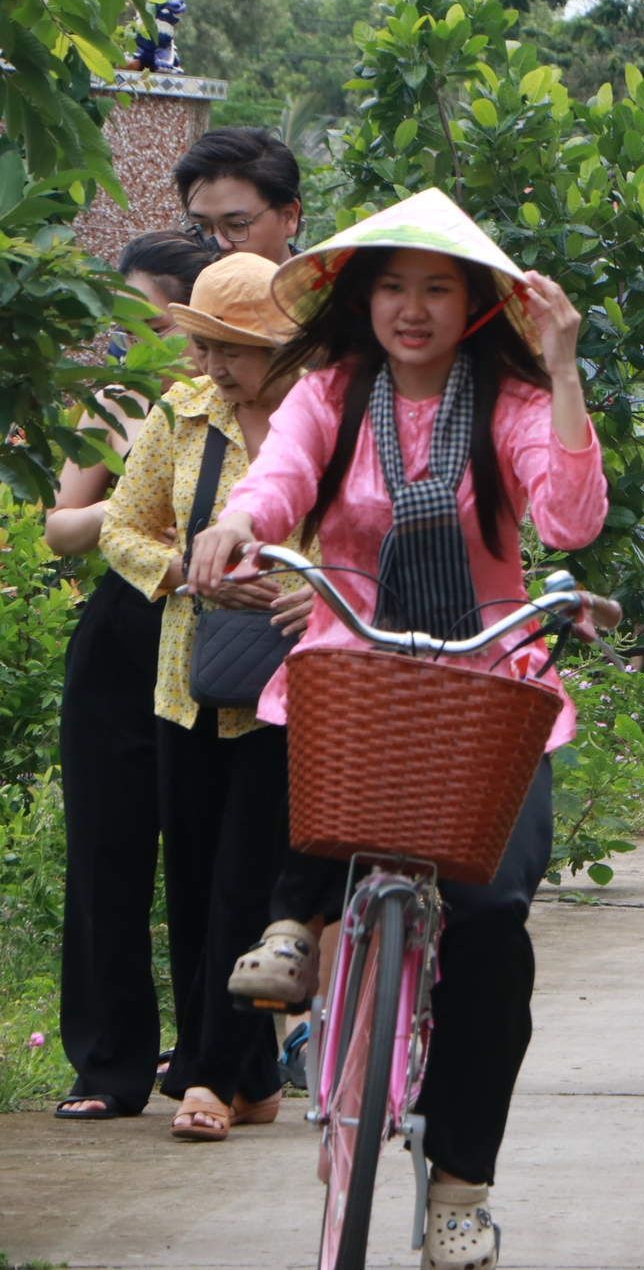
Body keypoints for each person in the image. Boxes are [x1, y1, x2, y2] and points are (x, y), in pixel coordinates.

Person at [188, 189, 607, 1270]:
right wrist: (240, 520)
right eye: (391, 286)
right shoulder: (331, 387)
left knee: (492, 923)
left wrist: (560, 368)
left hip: (489, 672)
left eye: (435, 288)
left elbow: (566, 520)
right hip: (358, 658)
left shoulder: (510, 397)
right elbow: (278, 481)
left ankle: (460, 1184)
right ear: (360, 296)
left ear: (474, 304)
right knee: (318, 703)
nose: (410, 309)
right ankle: (296, 921)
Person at [99, 252, 314, 1141]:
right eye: (208, 345)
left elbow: (362, 530)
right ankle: (254, 1080)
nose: (217, 366)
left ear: (285, 349)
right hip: (191, 685)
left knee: (244, 883)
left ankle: (207, 1081)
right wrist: (187, 572)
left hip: (296, 691)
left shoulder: (326, 419)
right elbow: (121, 526)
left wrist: (318, 591)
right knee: (191, 887)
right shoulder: (182, 416)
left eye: (237, 349)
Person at [49, 232, 216, 1120]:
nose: (128, 343)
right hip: (119, 634)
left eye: (144, 322)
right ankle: (108, 1064)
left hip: (210, 635)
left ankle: (201, 1059)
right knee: (105, 851)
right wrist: (138, 499)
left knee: (200, 849)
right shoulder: (116, 406)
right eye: (117, 327)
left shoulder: (234, 403)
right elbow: (59, 527)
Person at [173, 127, 302, 265]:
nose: (218, 245)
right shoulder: (174, 285)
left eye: (236, 225)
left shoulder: (322, 285)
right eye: (200, 226)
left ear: (289, 217)